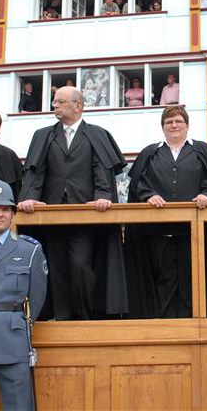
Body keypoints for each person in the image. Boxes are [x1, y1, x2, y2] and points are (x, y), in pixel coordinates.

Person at [18, 86, 128, 320]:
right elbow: (37, 172)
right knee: (56, 267)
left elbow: (102, 169)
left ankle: (83, 318)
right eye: (54, 102)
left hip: (84, 214)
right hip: (52, 214)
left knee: (80, 266)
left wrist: (103, 196)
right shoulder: (43, 135)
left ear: (78, 106)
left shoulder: (96, 134)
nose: (54, 105)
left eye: (60, 101)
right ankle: (62, 318)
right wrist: (29, 198)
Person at [126, 105, 207, 318]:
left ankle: (195, 323)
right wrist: (148, 195)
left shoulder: (202, 151)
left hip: (195, 232)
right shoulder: (150, 152)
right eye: (169, 122)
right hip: (159, 231)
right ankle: (166, 326)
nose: (174, 125)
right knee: (164, 278)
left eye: (178, 121)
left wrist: (206, 194)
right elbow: (139, 183)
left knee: (194, 277)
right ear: (162, 127)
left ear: (187, 125)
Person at [0, 179, 47, 410]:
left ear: (13, 214)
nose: (0, 214)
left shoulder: (30, 250)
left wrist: (19, 324)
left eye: (5, 209)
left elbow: (37, 297)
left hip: (13, 343)